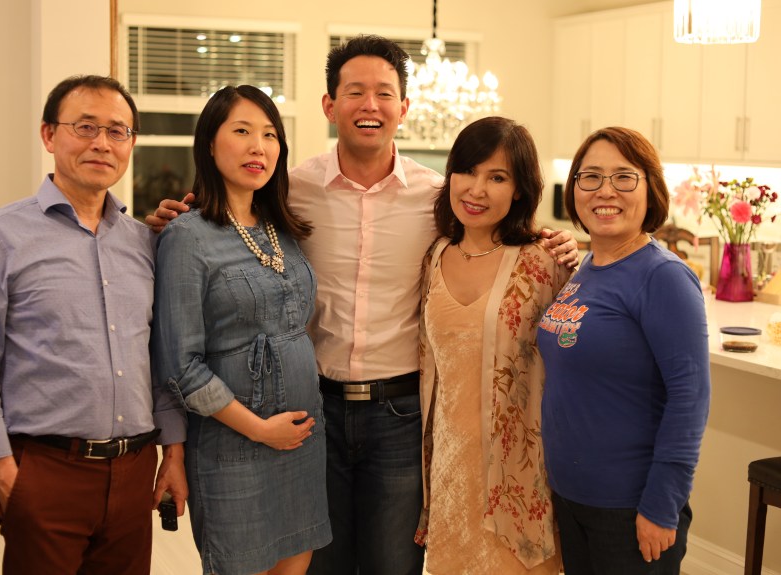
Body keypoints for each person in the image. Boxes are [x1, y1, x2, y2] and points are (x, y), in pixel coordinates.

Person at [146, 35, 578, 575]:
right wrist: (171, 222)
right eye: (354, 92)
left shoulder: (438, 196)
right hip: (313, 409)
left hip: (399, 413)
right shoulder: (290, 190)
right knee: (315, 562)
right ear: (330, 105)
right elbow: (225, 232)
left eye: (384, 93)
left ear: (404, 107)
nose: (369, 105)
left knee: (392, 563)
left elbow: (493, 230)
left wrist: (555, 240)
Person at [0, 75, 188, 575]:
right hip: (46, 469)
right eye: (85, 127)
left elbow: (158, 357)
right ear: (48, 135)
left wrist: (173, 452)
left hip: (134, 469)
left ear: (130, 144)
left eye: (117, 131)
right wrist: (2, 467)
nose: (102, 143)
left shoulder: (144, 242)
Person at [149, 85, 331, 575]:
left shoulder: (282, 229)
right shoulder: (187, 236)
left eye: (270, 135)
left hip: (301, 441)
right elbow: (181, 366)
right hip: (233, 449)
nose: (259, 147)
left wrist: (284, 433)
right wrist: (261, 430)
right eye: (243, 131)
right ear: (210, 143)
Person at [537, 127, 711, 574]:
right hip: (572, 496)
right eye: (590, 177)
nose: (605, 190)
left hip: (629, 506)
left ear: (650, 189)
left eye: (623, 177)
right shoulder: (588, 266)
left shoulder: (663, 276)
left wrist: (662, 505)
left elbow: (690, 398)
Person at [416, 117, 570, 575]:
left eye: (497, 177)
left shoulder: (545, 262)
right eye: (467, 171)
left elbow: (574, 360)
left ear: (519, 189)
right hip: (450, 470)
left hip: (518, 477)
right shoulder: (435, 256)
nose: (477, 189)